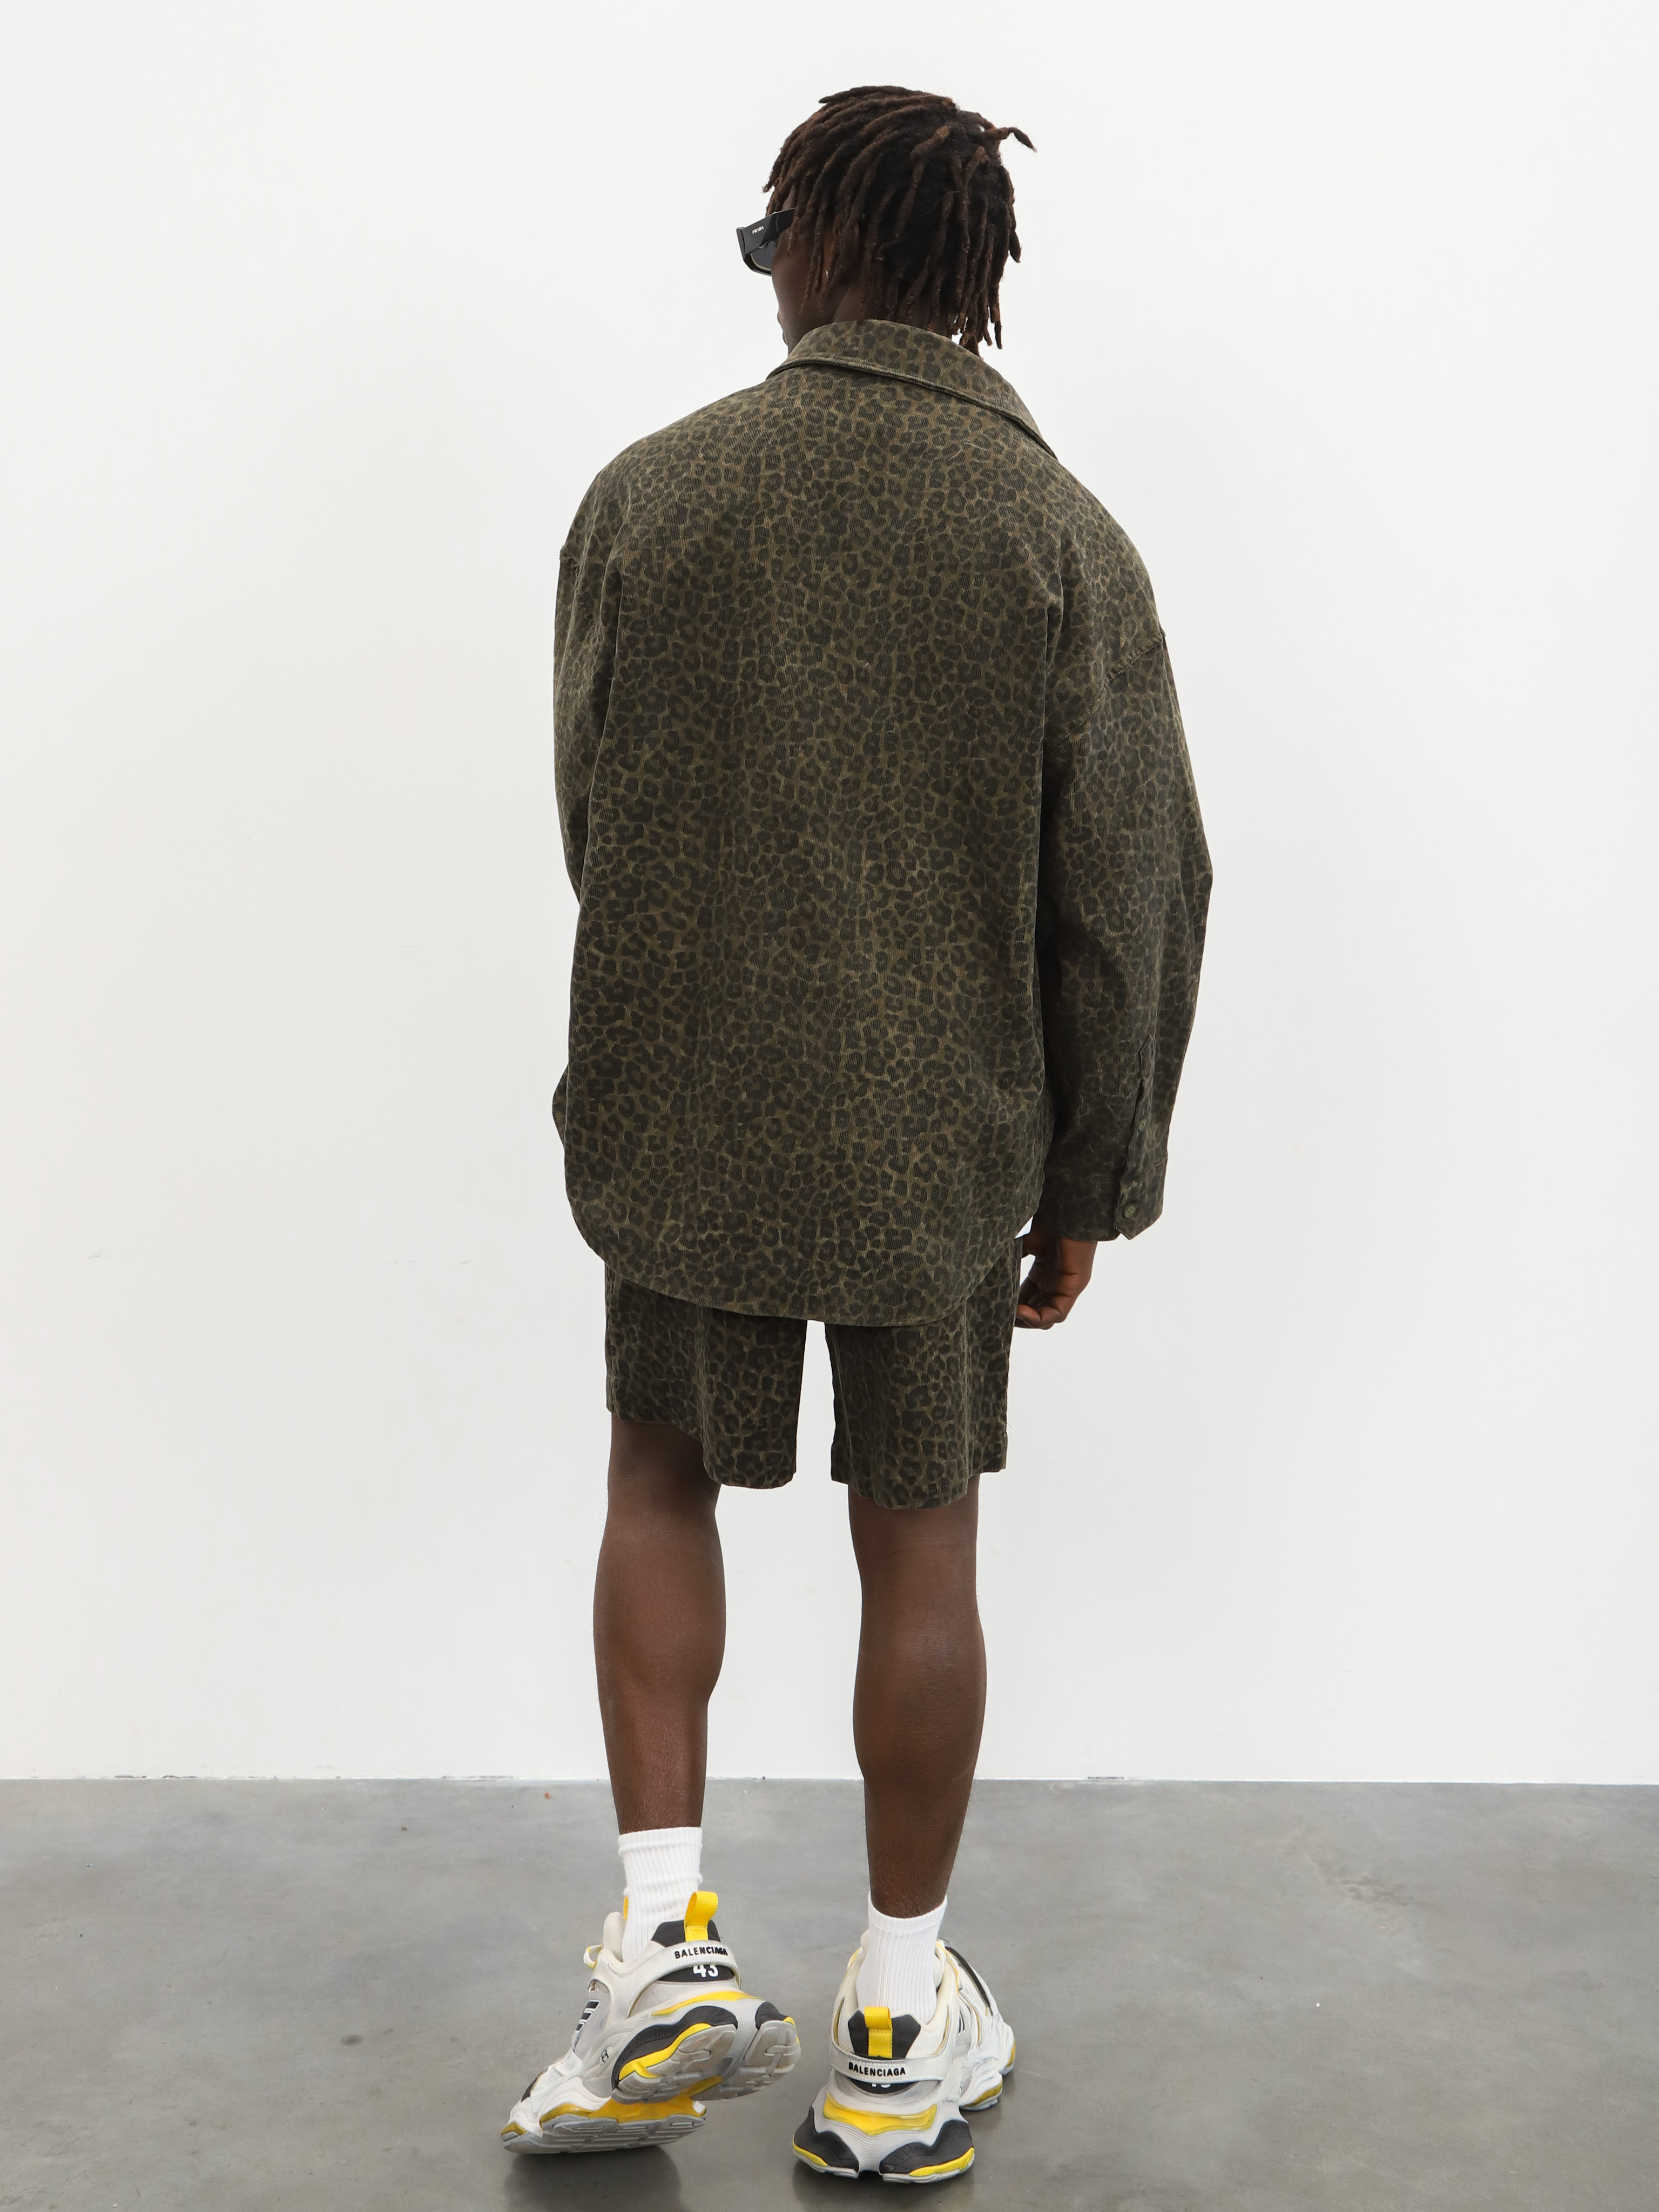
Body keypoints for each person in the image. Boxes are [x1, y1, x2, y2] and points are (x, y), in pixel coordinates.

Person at [501, 83, 1211, 2183]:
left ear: (820, 243)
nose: (768, 275)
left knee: (658, 1479)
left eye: (769, 240)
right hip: (942, 1132)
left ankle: (660, 1946)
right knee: (923, 1540)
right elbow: (1135, 890)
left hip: (687, 1107)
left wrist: (698, 996)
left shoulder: (650, 498)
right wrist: (1094, 1175)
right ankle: (897, 2018)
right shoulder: (1060, 542)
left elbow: (595, 812)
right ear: (972, 281)